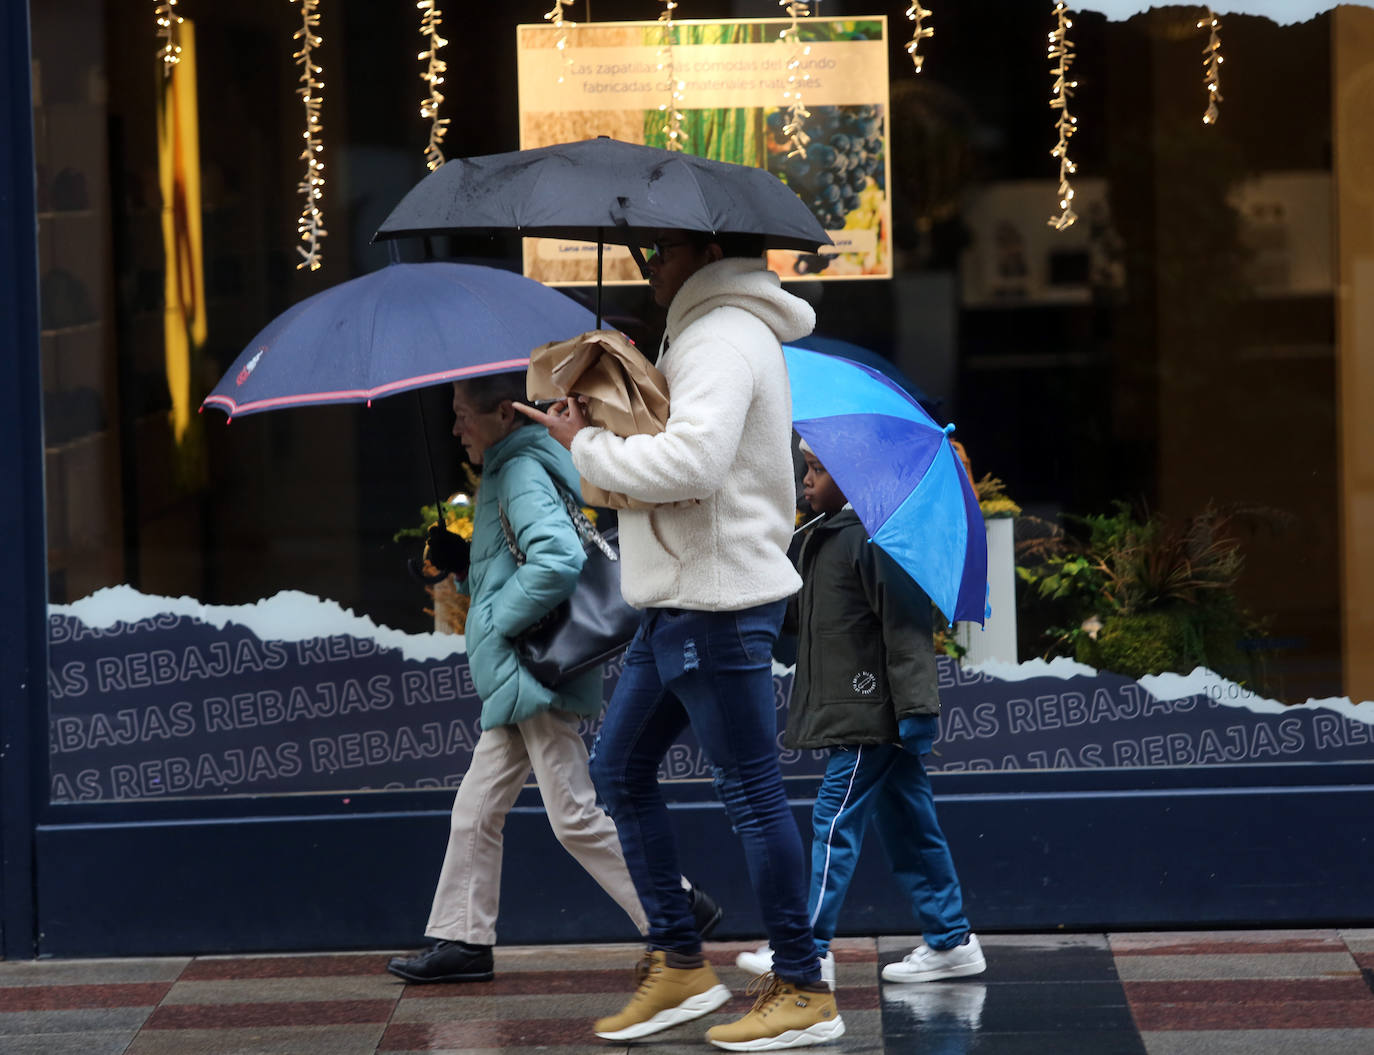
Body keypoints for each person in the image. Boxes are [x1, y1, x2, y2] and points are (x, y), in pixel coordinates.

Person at [517, 231, 844, 1051]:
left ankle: (802, 984)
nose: (646, 263)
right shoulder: (701, 331)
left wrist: (584, 445)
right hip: (677, 600)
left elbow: (694, 465)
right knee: (619, 770)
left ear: (705, 249)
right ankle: (681, 962)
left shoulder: (723, 336)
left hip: (718, 603)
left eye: (659, 249)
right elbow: (682, 455)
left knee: (752, 792)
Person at [387, 373, 719, 986]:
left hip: (531, 670)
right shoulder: (516, 466)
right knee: (476, 808)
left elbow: (557, 559)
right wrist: (462, 567)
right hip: (525, 673)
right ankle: (462, 938)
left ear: (505, 416)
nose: (456, 427)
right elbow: (521, 558)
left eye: (464, 414)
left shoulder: (515, 470)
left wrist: (491, 617)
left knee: (572, 815)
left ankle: (673, 907)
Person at [735, 439, 986, 987]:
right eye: (806, 466)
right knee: (910, 827)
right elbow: (798, 615)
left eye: (819, 469)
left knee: (834, 820)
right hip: (869, 714)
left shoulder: (876, 542)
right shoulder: (825, 538)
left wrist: (917, 710)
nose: (806, 478)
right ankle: (951, 940)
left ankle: (806, 947)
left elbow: (907, 630)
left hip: (871, 713)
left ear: (854, 477)